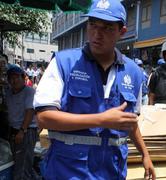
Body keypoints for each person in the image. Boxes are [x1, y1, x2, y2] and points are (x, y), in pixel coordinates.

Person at [33, 0, 155, 179]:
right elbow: (44, 118)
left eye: (107, 28)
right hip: (69, 171)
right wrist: (100, 120)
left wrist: (145, 154)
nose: (97, 34)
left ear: (122, 32)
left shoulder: (133, 72)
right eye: (92, 25)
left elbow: (129, 121)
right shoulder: (63, 63)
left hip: (112, 171)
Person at [6, 65, 40, 180]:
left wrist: (22, 130)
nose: (13, 80)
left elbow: (30, 111)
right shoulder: (9, 92)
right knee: (22, 163)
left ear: (23, 77)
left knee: (22, 167)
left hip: (26, 131)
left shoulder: (29, 91)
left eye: (16, 77)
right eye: (11, 78)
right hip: (13, 131)